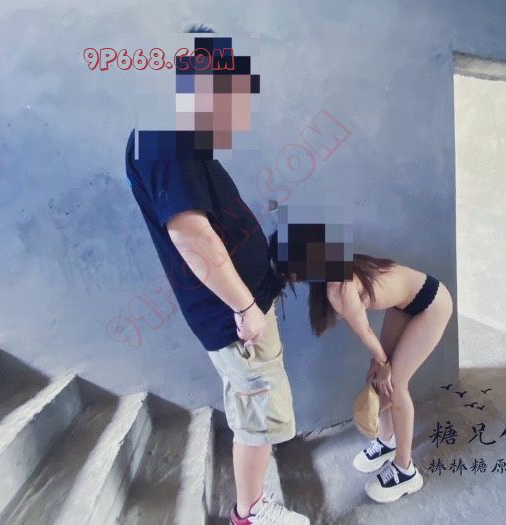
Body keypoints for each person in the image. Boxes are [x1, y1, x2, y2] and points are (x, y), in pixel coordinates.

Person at [125, 28, 309, 525]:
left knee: (260, 406)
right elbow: (191, 235)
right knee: (257, 413)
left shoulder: (180, 140)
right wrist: (245, 307)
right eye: (231, 92)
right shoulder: (163, 139)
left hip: (245, 308)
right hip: (234, 317)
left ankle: (251, 506)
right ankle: (248, 512)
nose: (237, 109)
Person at [269, 230, 454, 503]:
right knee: (378, 380)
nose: (288, 278)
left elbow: (365, 331)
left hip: (432, 304)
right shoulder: (334, 267)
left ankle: (406, 471)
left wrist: (383, 363)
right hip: (404, 304)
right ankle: (387, 442)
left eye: (287, 269)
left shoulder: (339, 289)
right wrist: (379, 364)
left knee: (395, 385)